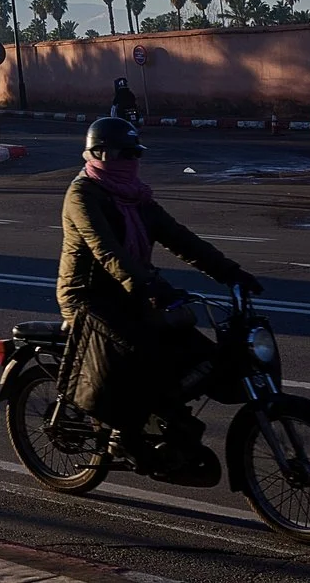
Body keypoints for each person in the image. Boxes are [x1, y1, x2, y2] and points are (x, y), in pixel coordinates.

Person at [56, 116, 259, 482]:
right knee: (141, 351)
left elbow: (181, 239)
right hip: (89, 297)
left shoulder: (135, 197)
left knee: (198, 352)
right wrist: (149, 287)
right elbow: (107, 252)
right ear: (101, 153)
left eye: (135, 154)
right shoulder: (83, 194)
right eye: (125, 153)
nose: (132, 161)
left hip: (133, 291)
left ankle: (166, 420)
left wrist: (231, 273)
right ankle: (123, 434)